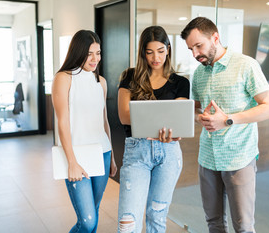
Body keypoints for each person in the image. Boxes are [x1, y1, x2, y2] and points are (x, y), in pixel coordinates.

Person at [180, 17, 269, 233]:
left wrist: (227, 120)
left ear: (215, 38)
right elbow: (196, 109)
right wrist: (200, 118)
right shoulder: (199, 73)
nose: (195, 54)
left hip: (239, 158)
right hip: (207, 159)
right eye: (191, 49)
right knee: (213, 222)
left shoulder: (246, 65)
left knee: (243, 227)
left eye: (199, 45)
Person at [117, 26, 190, 233]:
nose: (155, 57)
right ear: (143, 53)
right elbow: (124, 115)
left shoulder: (181, 82)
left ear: (168, 49)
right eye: (149, 52)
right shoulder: (130, 77)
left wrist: (171, 129)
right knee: (127, 221)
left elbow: (179, 120)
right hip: (137, 151)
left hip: (168, 152)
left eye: (160, 50)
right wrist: (162, 121)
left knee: (157, 217)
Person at [51, 30, 117, 233]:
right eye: (90, 53)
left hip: (102, 153)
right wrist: (71, 161)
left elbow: (104, 121)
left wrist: (112, 157)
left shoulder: (101, 82)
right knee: (87, 220)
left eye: (98, 53)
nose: (95, 59)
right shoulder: (63, 78)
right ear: (78, 52)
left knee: (94, 213)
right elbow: (62, 122)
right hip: (76, 155)